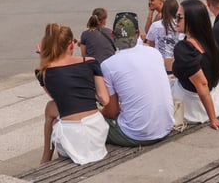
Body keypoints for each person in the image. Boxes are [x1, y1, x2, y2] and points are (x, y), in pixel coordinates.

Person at [36, 23, 110, 165]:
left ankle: (45, 158)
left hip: (70, 139)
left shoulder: (43, 71)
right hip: (96, 132)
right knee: (55, 108)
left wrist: (43, 58)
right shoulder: (91, 62)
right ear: (71, 45)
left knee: (51, 108)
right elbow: (104, 99)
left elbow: (59, 96)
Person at [100, 12, 174, 147]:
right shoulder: (154, 53)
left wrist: (100, 112)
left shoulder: (108, 65)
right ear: (138, 33)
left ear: (112, 35)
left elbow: (112, 112)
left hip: (136, 135)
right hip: (166, 127)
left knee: (93, 121)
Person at [171, 0, 219, 130]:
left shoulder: (184, 49)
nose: (175, 20)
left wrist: (213, 119)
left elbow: (202, 84)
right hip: (215, 98)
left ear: (191, 20)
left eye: (179, 17)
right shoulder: (209, 41)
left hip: (192, 107)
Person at [145, 0, 182, 73]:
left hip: (160, 64)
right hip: (177, 63)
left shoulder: (156, 25)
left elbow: (150, 45)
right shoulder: (181, 25)